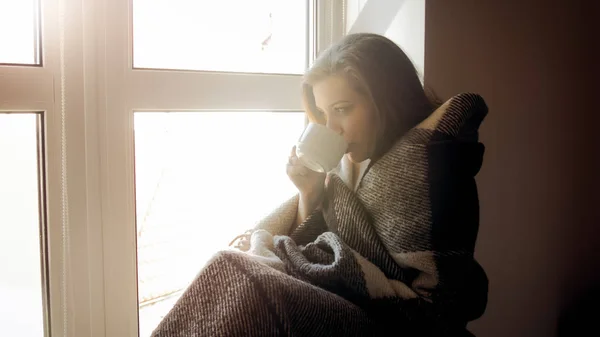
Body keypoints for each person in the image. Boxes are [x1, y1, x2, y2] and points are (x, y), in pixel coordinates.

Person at [152, 33, 488, 337]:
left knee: (243, 275)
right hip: (346, 303)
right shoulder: (349, 166)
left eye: (342, 110)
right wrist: (309, 193)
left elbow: (440, 312)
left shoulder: (428, 168)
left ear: (387, 99)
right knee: (226, 266)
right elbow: (316, 234)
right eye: (324, 114)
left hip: (388, 322)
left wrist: (339, 268)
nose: (333, 129)